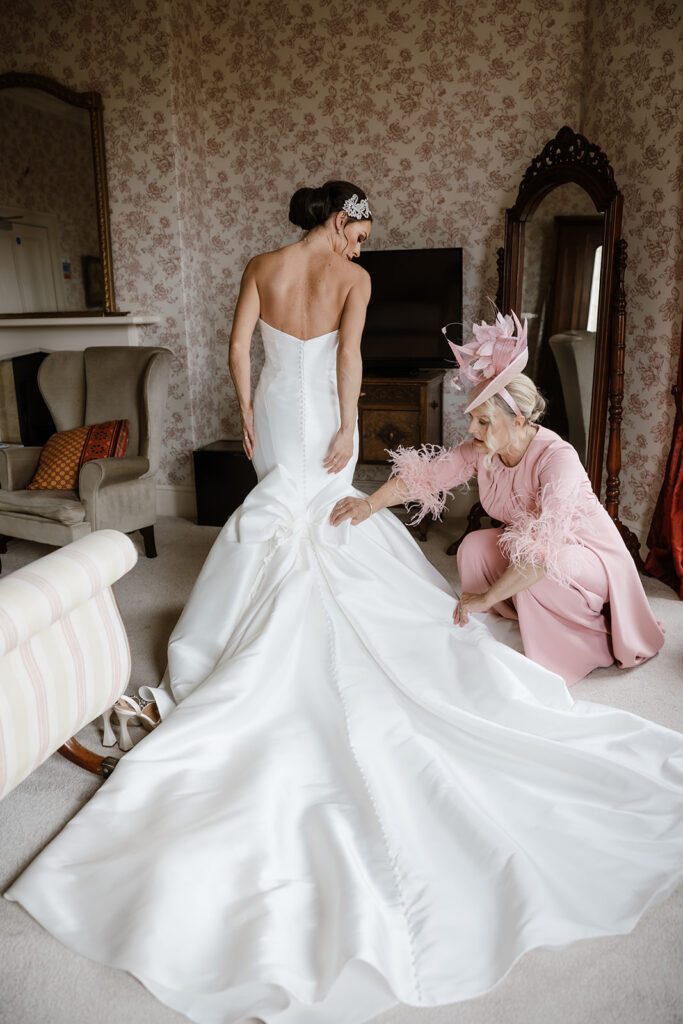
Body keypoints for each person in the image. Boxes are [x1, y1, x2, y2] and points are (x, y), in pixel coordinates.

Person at [6, 186, 683, 1024]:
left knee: (276, 516)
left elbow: (238, 345)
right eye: (359, 230)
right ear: (335, 220)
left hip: (274, 421)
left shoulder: (261, 266)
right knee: (327, 517)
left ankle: (245, 628)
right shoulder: (350, 283)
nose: (362, 246)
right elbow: (348, 362)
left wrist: (248, 410)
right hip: (324, 417)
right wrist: (348, 433)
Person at [341, 311, 665, 685]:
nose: (471, 429)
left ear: (518, 421)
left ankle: (581, 646)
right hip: (537, 554)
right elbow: (424, 477)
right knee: (474, 547)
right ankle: (517, 619)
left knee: (537, 571)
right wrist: (367, 504)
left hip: (586, 558)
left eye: (483, 421)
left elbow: (543, 553)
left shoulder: (557, 458)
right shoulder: (482, 450)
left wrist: (482, 597)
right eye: (472, 419)